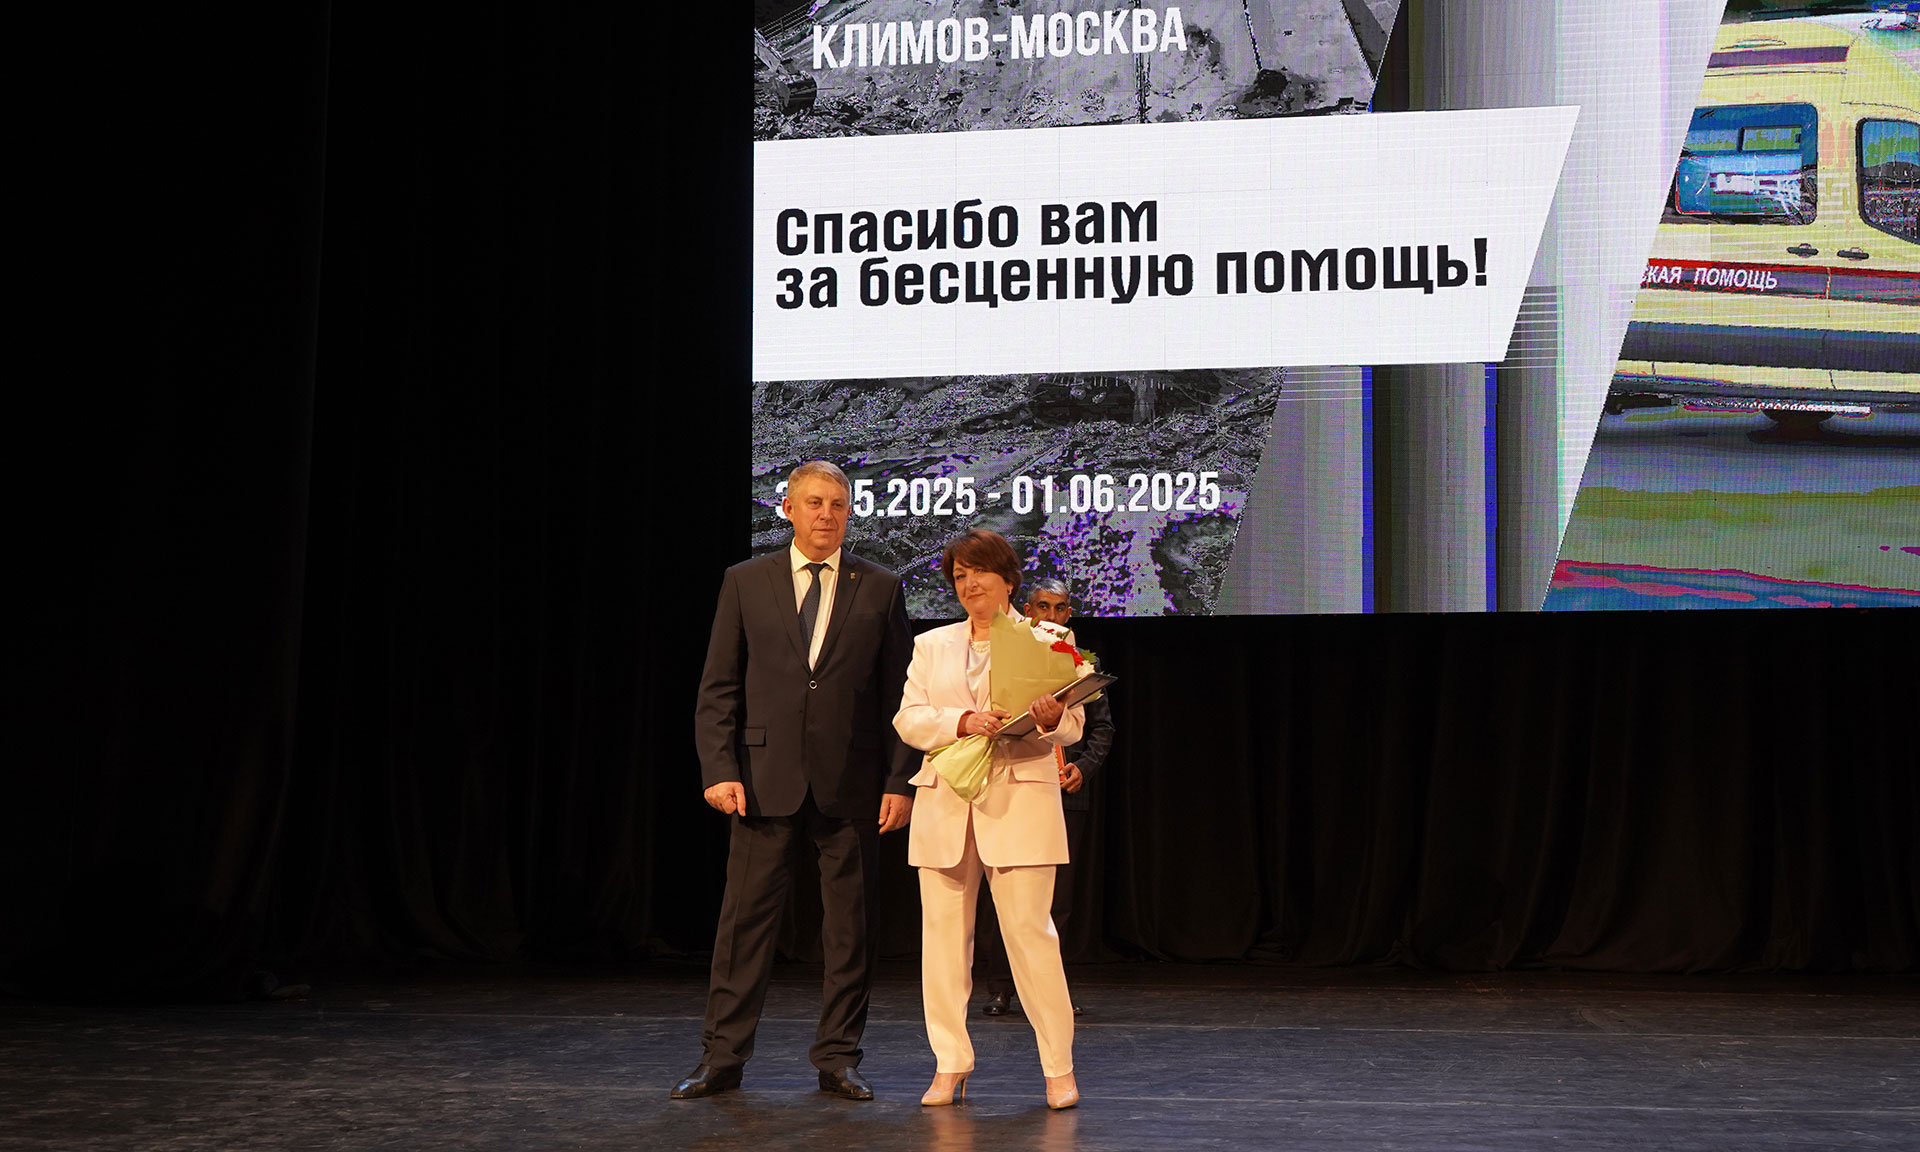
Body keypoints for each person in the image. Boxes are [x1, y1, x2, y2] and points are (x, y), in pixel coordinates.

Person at [673, 461, 915, 1102]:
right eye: (814, 502)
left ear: (849, 512)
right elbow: (718, 686)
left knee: (850, 930)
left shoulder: (881, 586)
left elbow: (900, 697)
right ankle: (721, 1058)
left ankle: (839, 1058)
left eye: (837, 504)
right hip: (761, 780)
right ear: (787, 509)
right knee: (744, 927)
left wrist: (901, 781)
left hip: (854, 784)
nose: (826, 514)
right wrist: (719, 769)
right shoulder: (745, 581)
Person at [893, 529, 1086, 1111]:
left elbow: (1073, 727)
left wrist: (1050, 719)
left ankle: (1058, 1068)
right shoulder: (932, 645)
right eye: (959, 575)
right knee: (943, 944)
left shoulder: (1049, 638)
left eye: (980, 572)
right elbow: (909, 718)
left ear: (1008, 579)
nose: (969, 583)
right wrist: (961, 721)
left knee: (1031, 937)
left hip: (1019, 800)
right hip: (946, 802)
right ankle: (949, 1062)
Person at [975, 578, 1113, 1018]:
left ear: (1069, 614)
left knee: (1059, 899)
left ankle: (1052, 990)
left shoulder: (1081, 663)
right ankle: (1000, 987)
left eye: (1060, 608)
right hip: (1015, 787)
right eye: (1042, 607)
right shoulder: (1008, 653)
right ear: (1028, 610)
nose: (1051, 615)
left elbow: (1102, 728)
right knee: (1005, 892)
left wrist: (1083, 767)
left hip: (1066, 793)